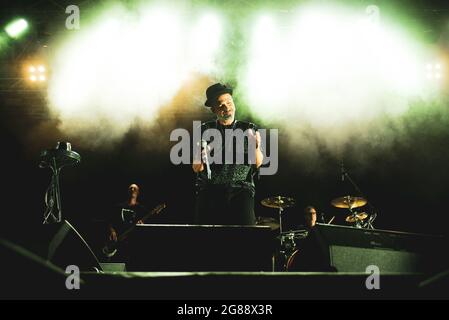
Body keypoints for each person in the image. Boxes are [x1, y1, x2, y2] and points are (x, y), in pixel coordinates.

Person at [192, 83, 264, 225]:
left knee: (245, 238)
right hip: (211, 192)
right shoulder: (204, 129)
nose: (226, 107)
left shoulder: (248, 128)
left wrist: (256, 147)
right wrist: (201, 154)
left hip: (241, 191)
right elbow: (196, 168)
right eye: (221, 105)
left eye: (229, 102)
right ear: (214, 109)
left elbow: (257, 163)